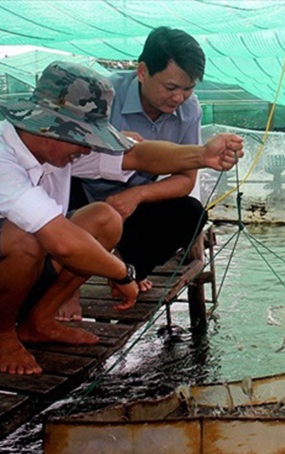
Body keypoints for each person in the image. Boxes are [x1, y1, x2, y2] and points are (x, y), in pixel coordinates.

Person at [0, 61, 243, 376]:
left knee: (104, 218)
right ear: (50, 127)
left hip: (8, 280)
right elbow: (60, 241)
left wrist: (201, 155)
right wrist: (122, 273)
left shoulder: (51, 148)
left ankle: (37, 321)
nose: (86, 150)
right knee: (25, 235)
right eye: (84, 139)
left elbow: (135, 155)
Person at [69, 26, 207, 303]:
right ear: (142, 72)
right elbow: (64, 154)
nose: (179, 98)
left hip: (130, 209)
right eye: (171, 87)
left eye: (188, 89)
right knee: (60, 186)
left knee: (192, 214)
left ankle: (125, 267)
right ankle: (67, 289)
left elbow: (185, 179)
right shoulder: (102, 95)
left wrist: (136, 195)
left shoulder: (190, 110)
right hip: (81, 200)